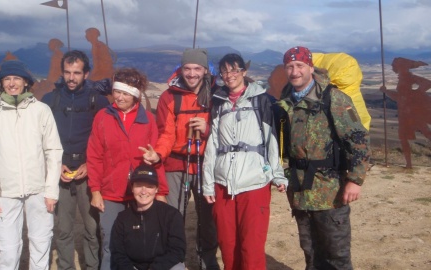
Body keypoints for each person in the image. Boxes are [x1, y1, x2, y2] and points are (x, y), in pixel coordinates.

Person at [278, 46, 370, 270]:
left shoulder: (333, 97)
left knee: (336, 254)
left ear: (310, 67)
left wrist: (355, 180)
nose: (294, 71)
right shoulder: (286, 98)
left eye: (300, 65)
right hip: (299, 190)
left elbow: (357, 138)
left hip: (330, 191)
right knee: (310, 252)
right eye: (289, 67)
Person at [202, 53, 288, 270]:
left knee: (251, 245)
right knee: (228, 245)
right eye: (224, 71)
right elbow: (213, 145)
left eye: (234, 70)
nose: (229, 75)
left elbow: (271, 141)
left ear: (244, 71)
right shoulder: (219, 102)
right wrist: (207, 182)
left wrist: (277, 174)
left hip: (254, 182)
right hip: (223, 184)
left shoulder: (262, 100)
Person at [0, 60, 63, 269]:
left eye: (16, 78)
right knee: (8, 248)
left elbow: (53, 151)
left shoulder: (41, 111)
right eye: (7, 79)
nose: (12, 83)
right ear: (1, 83)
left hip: (39, 189)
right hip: (6, 191)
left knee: (41, 242)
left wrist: (51, 190)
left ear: (26, 82)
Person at [140, 48, 220, 270]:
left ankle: (208, 263)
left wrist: (208, 128)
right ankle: (175, 263)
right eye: (187, 68)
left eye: (197, 68)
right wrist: (158, 154)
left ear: (205, 70)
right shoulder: (170, 96)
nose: (192, 73)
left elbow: (225, 130)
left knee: (208, 221)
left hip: (207, 164)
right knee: (174, 218)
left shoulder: (216, 94)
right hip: (176, 164)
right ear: (181, 69)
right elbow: (166, 132)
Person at [86, 68, 169, 270]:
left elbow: (154, 159)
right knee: (110, 242)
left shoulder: (148, 119)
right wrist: (96, 191)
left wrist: (161, 192)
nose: (120, 97)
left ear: (135, 95)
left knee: (139, 242)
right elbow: (94, 156)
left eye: (126, 93)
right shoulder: (102, 117)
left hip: (140, 192)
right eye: (117, 92)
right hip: (110, 192)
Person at [42, 50, 109, 270]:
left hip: (88, 172)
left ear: (86, 74)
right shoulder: (50, 100)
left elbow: (104, 138)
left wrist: (90, 164)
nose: (71, 78)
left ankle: (92, 266)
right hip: (59, 171)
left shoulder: (97, 101)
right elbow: (40, 137)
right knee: (63, 229)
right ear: (62, 72)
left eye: (77, 73)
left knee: (92, 228)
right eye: (68, 72)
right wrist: (55, 163)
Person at [111, 164, 186, 270]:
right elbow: (118, 252)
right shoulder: (122, 218)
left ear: (156, 189)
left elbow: (178, 250)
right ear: (132, 188)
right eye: (138, 185)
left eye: (149, 186)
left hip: (162, 267)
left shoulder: (171, 215)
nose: (143, 191)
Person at [380, 57, 431, 168]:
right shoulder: (403, 78)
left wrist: (415, 94)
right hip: (405, 111)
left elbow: (427, 83)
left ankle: (409, 164)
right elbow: (400, 97)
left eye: (397, 66)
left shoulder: (409, 77)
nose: (395, 68)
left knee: (426, 133)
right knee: (405, 137)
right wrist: (386, 91)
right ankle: (408, 164)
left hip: (412, 111)